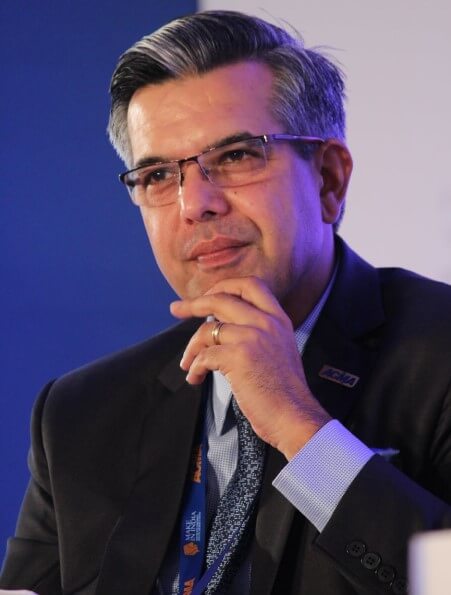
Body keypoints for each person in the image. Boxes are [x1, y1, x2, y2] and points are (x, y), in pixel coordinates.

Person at [1, 9, 451, 595]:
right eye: (158, 175)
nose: (195, 205)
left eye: (236, 156)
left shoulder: (439, 354)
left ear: (328, 180)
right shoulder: (81, 414)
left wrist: (301, 428)